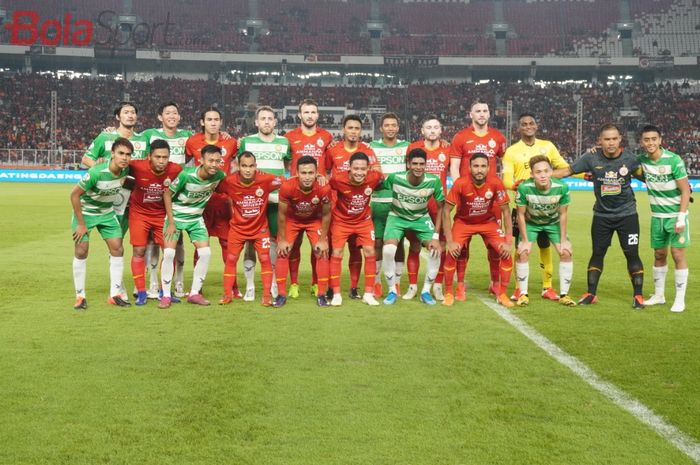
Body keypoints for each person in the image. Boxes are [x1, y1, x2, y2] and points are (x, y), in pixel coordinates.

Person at [554, 123, 645, 308]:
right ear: (600, 141)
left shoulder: (630, 159)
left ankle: (638, 296)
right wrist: (540, 176)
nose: (610, 143)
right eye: (607, 139)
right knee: (597, 252)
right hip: (602, 217)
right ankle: (591, 293)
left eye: (614, 139)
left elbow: (647, 177)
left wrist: (679, 184)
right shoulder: (591, 157)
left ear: (620, 139)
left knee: (632, 253)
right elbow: (567, 171)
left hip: (627, 216)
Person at [502, 113, 573, 302]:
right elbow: (507, 178)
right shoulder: (511, 151)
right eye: (523, 124)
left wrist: (545, 177)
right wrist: (519, 184)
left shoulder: (548, 146)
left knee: (545, 245)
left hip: (547, 203)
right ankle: (519, 289)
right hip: (524, 204)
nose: (528, 126)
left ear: (536, 125)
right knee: (522, 247)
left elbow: (565, 168)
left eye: (531, 123)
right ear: (519, 128)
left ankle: (547, 287)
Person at [449, 99, 506, 301]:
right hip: (468, 199)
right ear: (470, 115)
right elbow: (454, 167)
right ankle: (461, 286)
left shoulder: (498, 137)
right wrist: (461, 191)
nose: (481, 114)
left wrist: (502, 186)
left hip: (491, 201)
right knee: (462, 246)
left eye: (485, 110)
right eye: (477, 111)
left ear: (489, 114)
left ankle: (495, 284)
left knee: (495, 246)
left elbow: (504, 162)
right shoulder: (461, 137)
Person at [441, 152, 514, 308]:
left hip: (488, 222)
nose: (479, 170)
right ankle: (450, 292)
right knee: (452, 252)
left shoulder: (496, 183)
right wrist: (450, 241)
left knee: (505, 252)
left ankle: (502, 293)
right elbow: (446, 211)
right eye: (476, 166)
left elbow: (507, 212)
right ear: (469, 167)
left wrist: (509, 241)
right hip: (464, 222)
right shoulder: (460, 183)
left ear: (488, 168)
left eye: (483, 166)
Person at [70, 137, 133, 310]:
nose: (124, 157)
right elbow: (74, 195)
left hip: (106, 213)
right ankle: (80, 296)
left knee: (118, 249)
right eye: (121, 153)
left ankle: (114, 295)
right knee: (81, 250)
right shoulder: (96, 172)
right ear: (112, 154)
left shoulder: (126, 172)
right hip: (86, 213)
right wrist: (81, 224)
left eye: (128, 154)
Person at [160, 145, 225, 308]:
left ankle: (194, 293)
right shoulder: (186, 175)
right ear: (201, 160)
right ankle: (166, 295)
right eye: (210, 160)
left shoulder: (219, 176)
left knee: (205, 253)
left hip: (196, 217)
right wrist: (171, 222)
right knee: (168, 253)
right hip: (176, 216)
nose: (214, 164)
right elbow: (167, 193)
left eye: (217, 161)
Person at [237, 106, 291, 301]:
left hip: (276, 200)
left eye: (270, 118)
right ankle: (250, 286)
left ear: (275, 122)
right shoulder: (246, 142)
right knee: (250, 242)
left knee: (275, 241)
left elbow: (287, 168)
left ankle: (274, 282)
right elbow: (239, 166)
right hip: (252, 200)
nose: (267, 122)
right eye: (263, 119)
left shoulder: (284, 142)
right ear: (256, 122)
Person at [185, 107, 240, 296]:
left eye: (216, 119)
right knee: (200, 245)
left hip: (224, 202)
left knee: (228, 245)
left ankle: (234, 287)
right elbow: (181, 163)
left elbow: (244, 162)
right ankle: (196, 287)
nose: (213, 122)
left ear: (221, 122)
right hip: (201, 203)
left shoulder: (231, 142)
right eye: (209, 119)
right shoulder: (192, 142)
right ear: (202, 122)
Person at [141, 102, 194, 298]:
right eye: (167, 112)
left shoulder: (186, 136)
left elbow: (202, 146)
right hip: (154, 194)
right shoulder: (148, 135)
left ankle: (179, 281)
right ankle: (154, 282)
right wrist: (112, 131)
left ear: (179, 117)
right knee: (154, 241)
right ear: (159, 117)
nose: (172, 115)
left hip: (178, 195)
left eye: (175, 113)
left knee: (177, 240)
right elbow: (131, 143)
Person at [217, 151, 283, 307]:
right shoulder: (229, 181)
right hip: (237, 229)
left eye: (251, 166)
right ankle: (227, 295)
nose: (248, 169)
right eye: (244, 166)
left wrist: (319, 177)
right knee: (231, 259)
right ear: (238, 166)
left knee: (265, 259)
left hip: (260, 229)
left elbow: (287, 182)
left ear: (256, 166)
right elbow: (213, 186)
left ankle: (266, 296)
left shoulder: (266, 179)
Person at [325, 115, 379, 300]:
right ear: (343, 129)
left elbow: (378, 173)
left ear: (361, 131)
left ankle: (355, 288)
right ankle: (333, 289)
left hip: (360, 212)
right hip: (337, 211)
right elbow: (323, 175)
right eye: (350, 127)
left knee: (357, 251)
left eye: (357, 128)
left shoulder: (367, 150)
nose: (354, 131)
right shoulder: (333, 150)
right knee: (335, 250)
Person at [283, 99, 334, 298]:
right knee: (293, 245)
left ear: (318, 115)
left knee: (318, 246)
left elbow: (331, 163)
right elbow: (285, 161)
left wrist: (325, 178)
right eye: (306, 112)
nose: (310, 115)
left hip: (318, 196)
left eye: (313, 112)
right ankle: (294, 284)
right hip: (296, 196)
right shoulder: (289, 137)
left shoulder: (327, 137)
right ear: (299, 115)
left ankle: (315, 283)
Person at [638, 125, 691, 312]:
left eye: (654, 139)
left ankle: (679, 299)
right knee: (659, 254)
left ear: (660, 140)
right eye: (646, 139)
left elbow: (686, 190)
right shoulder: (642, 160)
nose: (650, 142)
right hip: (657, 217)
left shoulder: (673, 160)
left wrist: (681, 217)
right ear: (641, 142)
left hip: (675, 216)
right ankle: (659, 295)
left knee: (677, 255)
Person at [381, 148, 444, 306]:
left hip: (421, 218)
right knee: (388, 250)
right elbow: (378, 185)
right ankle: (392, 291)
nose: (418, 167)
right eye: (414, 163)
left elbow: (441, 208)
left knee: (436, 250)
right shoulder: (395, 178)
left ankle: (425, 292)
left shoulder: (433, 181)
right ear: (408, 164)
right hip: (396, 217)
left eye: (421, 164)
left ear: (426, 165)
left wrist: (436, 237)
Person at [514, 155, 576, 307]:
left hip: (552, 223)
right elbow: (520, 214)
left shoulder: (561, 187)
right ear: (532, 174)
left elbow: (563, 214)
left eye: (546, 171)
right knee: (522, 252)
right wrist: (525, 240)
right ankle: (522, 294)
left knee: (566, 252)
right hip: (531, 223)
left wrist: (563, 240)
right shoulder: (524, 188)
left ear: (551, 172)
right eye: (538, 172)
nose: (542, 175)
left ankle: (564, 295)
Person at [127, 139, 182, 306]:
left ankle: (165, 290)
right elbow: (117, 166)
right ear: (149, 156)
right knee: (139, 250)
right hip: (139, 214)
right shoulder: (136, 166)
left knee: (169, 251)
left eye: (165, 157)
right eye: (157, 157)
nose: (161, 161)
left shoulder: (176, 170)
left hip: (162, 216)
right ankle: (141, 292)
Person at [82, 102, 150, 237]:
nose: (130, 115)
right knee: (112, 238)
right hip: (107, 193)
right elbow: (86, 159)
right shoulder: (106, 137)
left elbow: (147, 165)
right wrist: (100, 169)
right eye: (126, 112)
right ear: (118, 117)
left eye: (132, 112)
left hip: (132, 195)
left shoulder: (143, 139)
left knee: (120, 237)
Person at [275, 156, 332, 307]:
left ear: (316, 173)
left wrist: (323, 239)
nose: (307, 177)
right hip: (292, 221)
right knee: (283, 251)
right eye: (304, 173)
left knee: (322, 251)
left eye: (311, 173)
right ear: (297, 173)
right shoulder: (287, 186)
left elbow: (326, 214)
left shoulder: (324, 187)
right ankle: (281, 294)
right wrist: (281, 239)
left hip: (314, 220)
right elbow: (281, 214)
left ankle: (321, 294)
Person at [405, 115, 450, 301]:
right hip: (418, 204)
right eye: (428, 127)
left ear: (441, 131)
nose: (432, 130)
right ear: (422, 131)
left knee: (442, 245)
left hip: (439, 205)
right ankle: (413, 286)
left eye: (436, 127)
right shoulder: (413, 148)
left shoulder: (448, 149)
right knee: (415, 245)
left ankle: (437, 285)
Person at [328, 152, 383, 306]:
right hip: (341, 221)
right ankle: (337, 294)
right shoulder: (337, 179)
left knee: (370, 252)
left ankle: (368, 293)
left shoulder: (374, 177)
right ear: (349, 168)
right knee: (337, 252)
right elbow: (325, 185)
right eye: (356, 168)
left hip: (363, 221)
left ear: (368, 169)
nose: (359, 172)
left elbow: (383, 177)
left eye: (363, 169)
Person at [369, 112, 410, 298]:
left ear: (398, 127)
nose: (391, 128)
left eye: (394, 125)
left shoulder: (406, 147)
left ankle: (398, 282)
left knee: (399, 243)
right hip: (378, 202)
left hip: (399, 203)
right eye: (387, 125)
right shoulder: (372, 147)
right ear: (381, 128)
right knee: (377, 243)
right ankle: (377, 283)